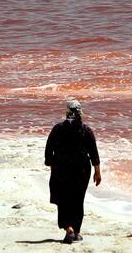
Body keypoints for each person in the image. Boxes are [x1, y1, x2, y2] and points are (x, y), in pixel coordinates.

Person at [44, 98, 101, 244]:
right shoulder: (86, 130)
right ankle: (76, 231)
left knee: (64, 200)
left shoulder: (58, 129)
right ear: (80, 113)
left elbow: (48, 151)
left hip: (61, 168)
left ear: (67, 112)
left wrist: (53, 167)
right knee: (77, 199)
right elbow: (94, 153)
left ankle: (68, 228)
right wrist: (97, 172)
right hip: (82, 170)